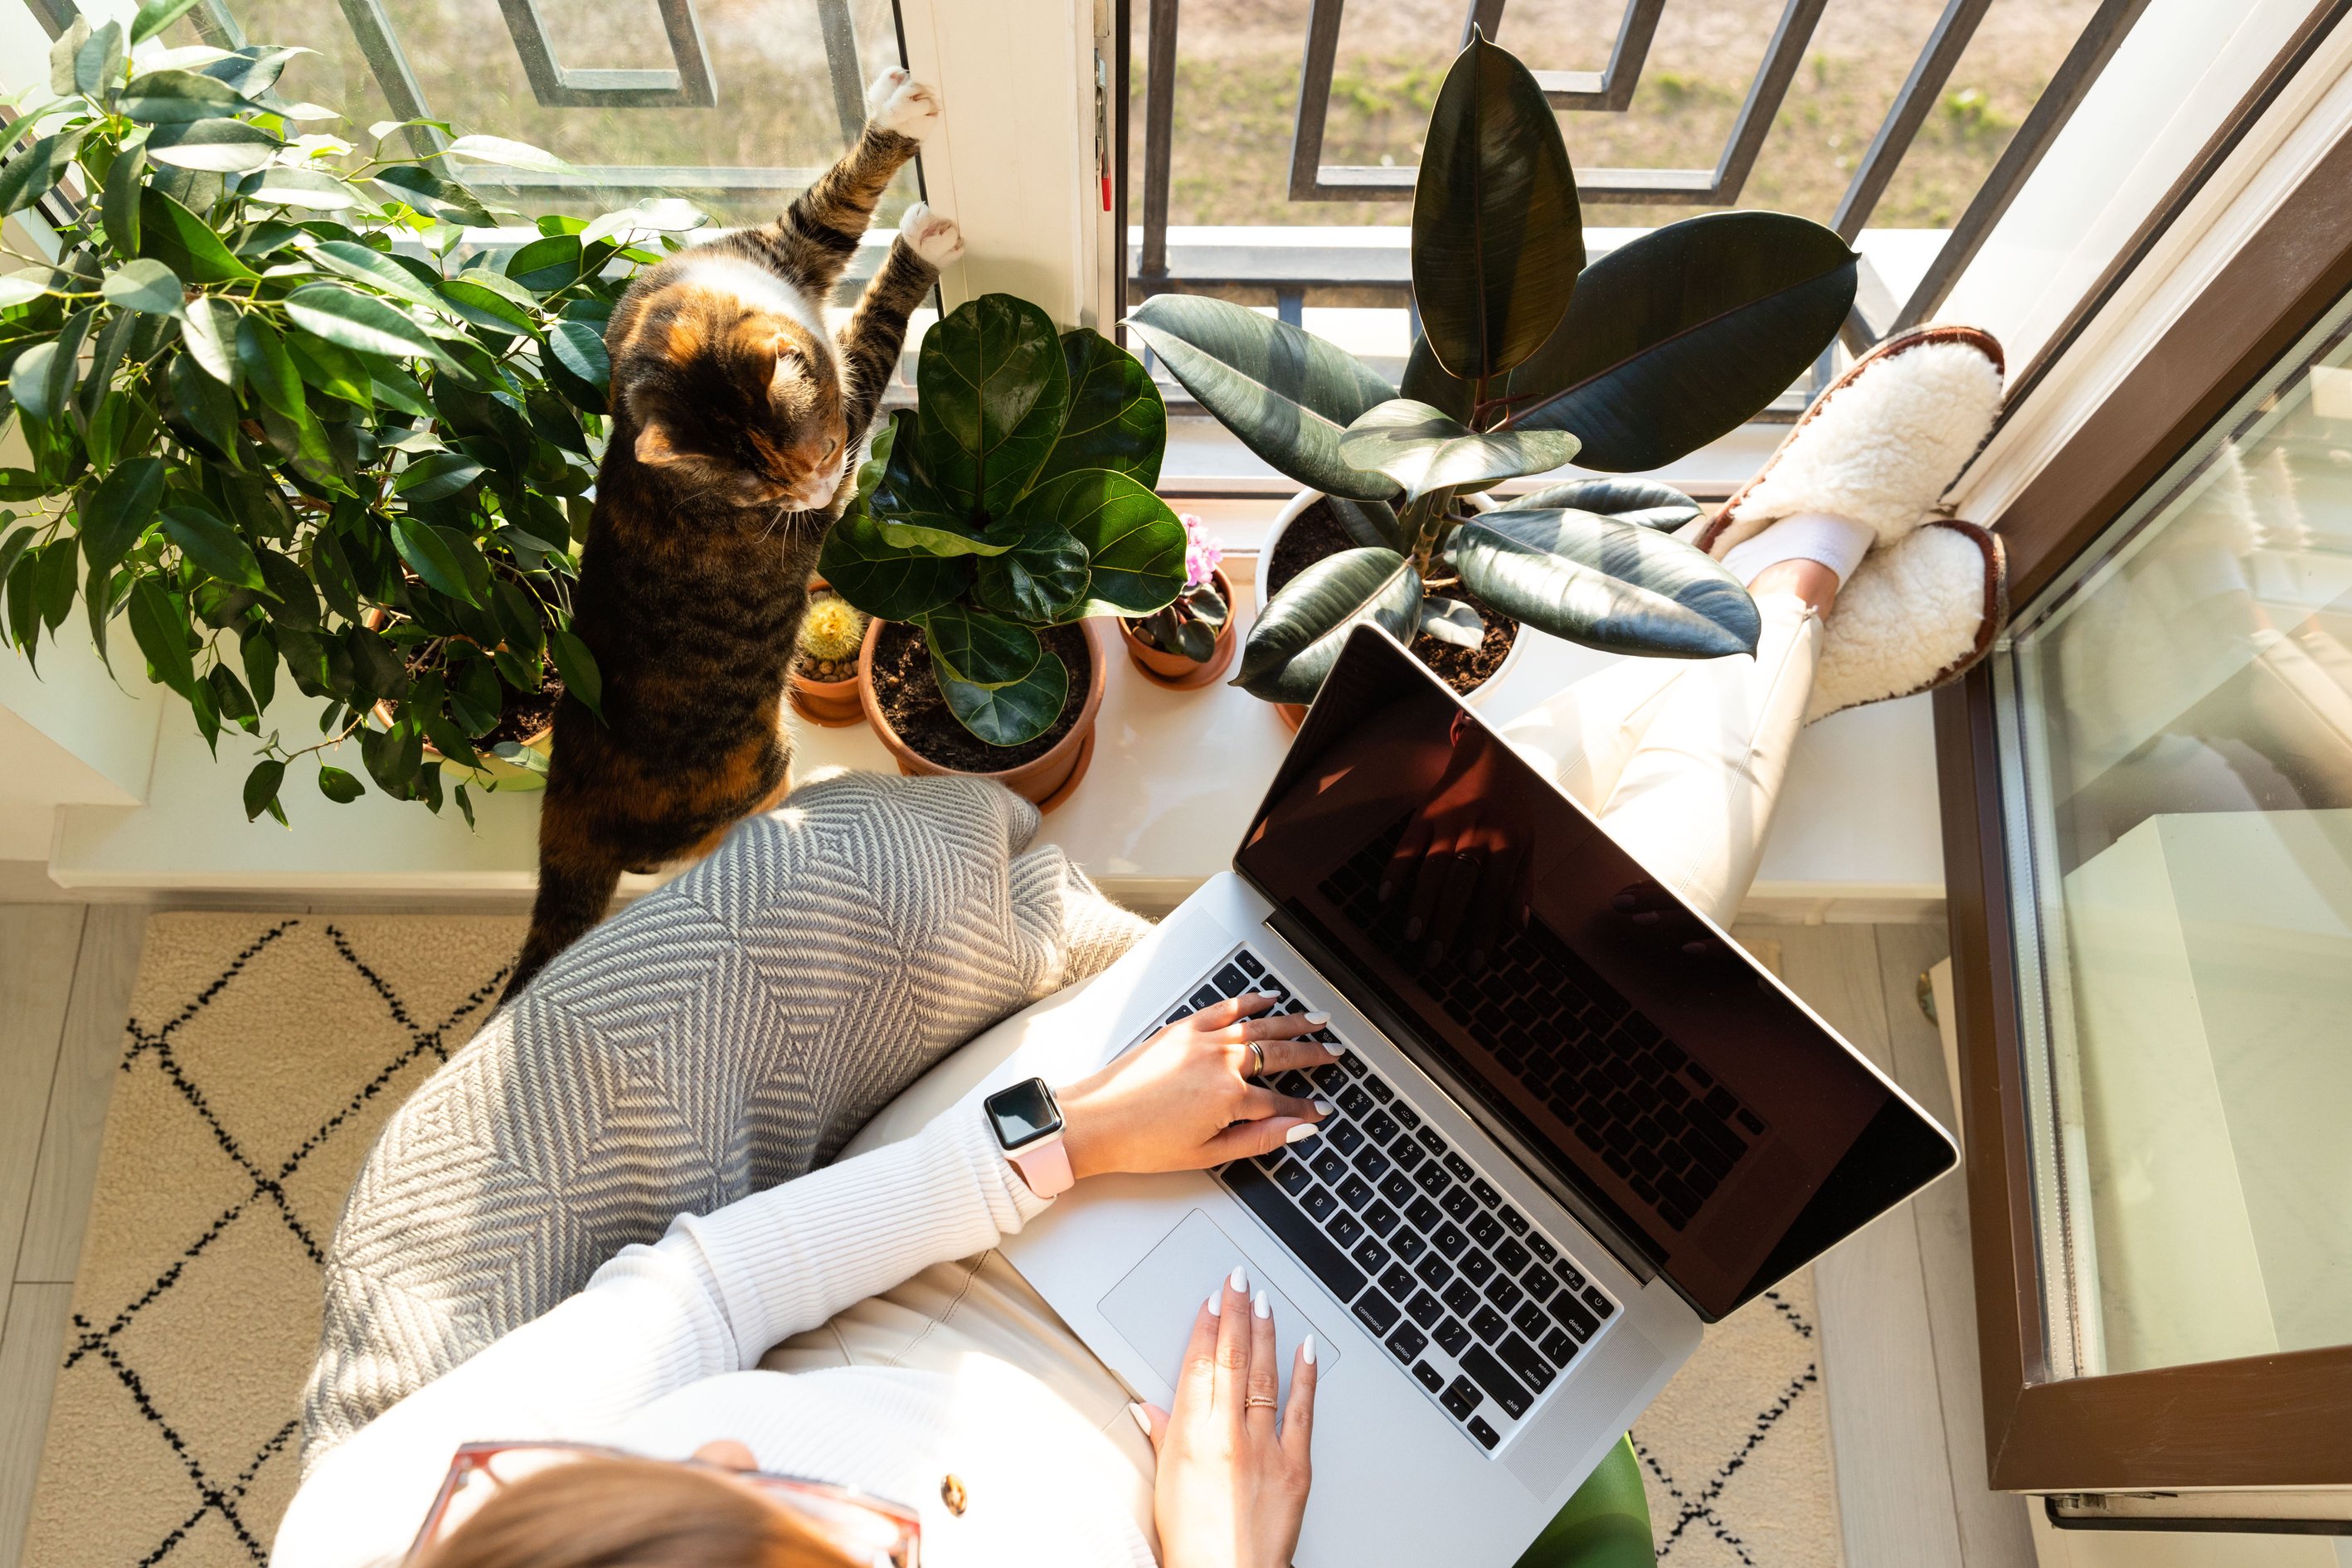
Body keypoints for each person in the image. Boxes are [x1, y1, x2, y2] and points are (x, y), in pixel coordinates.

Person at [272, 327, 2007, 1568]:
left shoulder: (409, 1524)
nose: (730, 1436)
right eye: (793, 1526)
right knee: (1612, 1005)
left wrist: (1064, 1140)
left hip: (963, 1264)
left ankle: (1765, 608)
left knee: (1439, 922)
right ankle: (1767, 602)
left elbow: (720, 1289)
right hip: (1236, 1502)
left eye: (703, 1474)